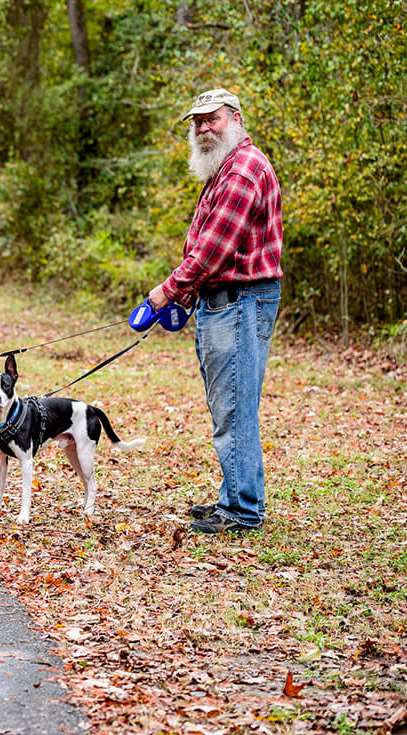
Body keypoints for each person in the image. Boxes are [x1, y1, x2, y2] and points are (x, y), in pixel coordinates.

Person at [146, 88, 283, 535]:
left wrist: (167, 292)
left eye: (213, 119)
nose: (204, 128)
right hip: (223, 302)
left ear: (235, 119)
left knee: (235, 409)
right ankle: (235, 498)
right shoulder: (223, 168)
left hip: (241, 303)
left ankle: (243, 511)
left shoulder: (242, 170)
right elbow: (210, 252)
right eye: (197, 122)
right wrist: (187, 297)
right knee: (229, 407)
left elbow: (212, 252)